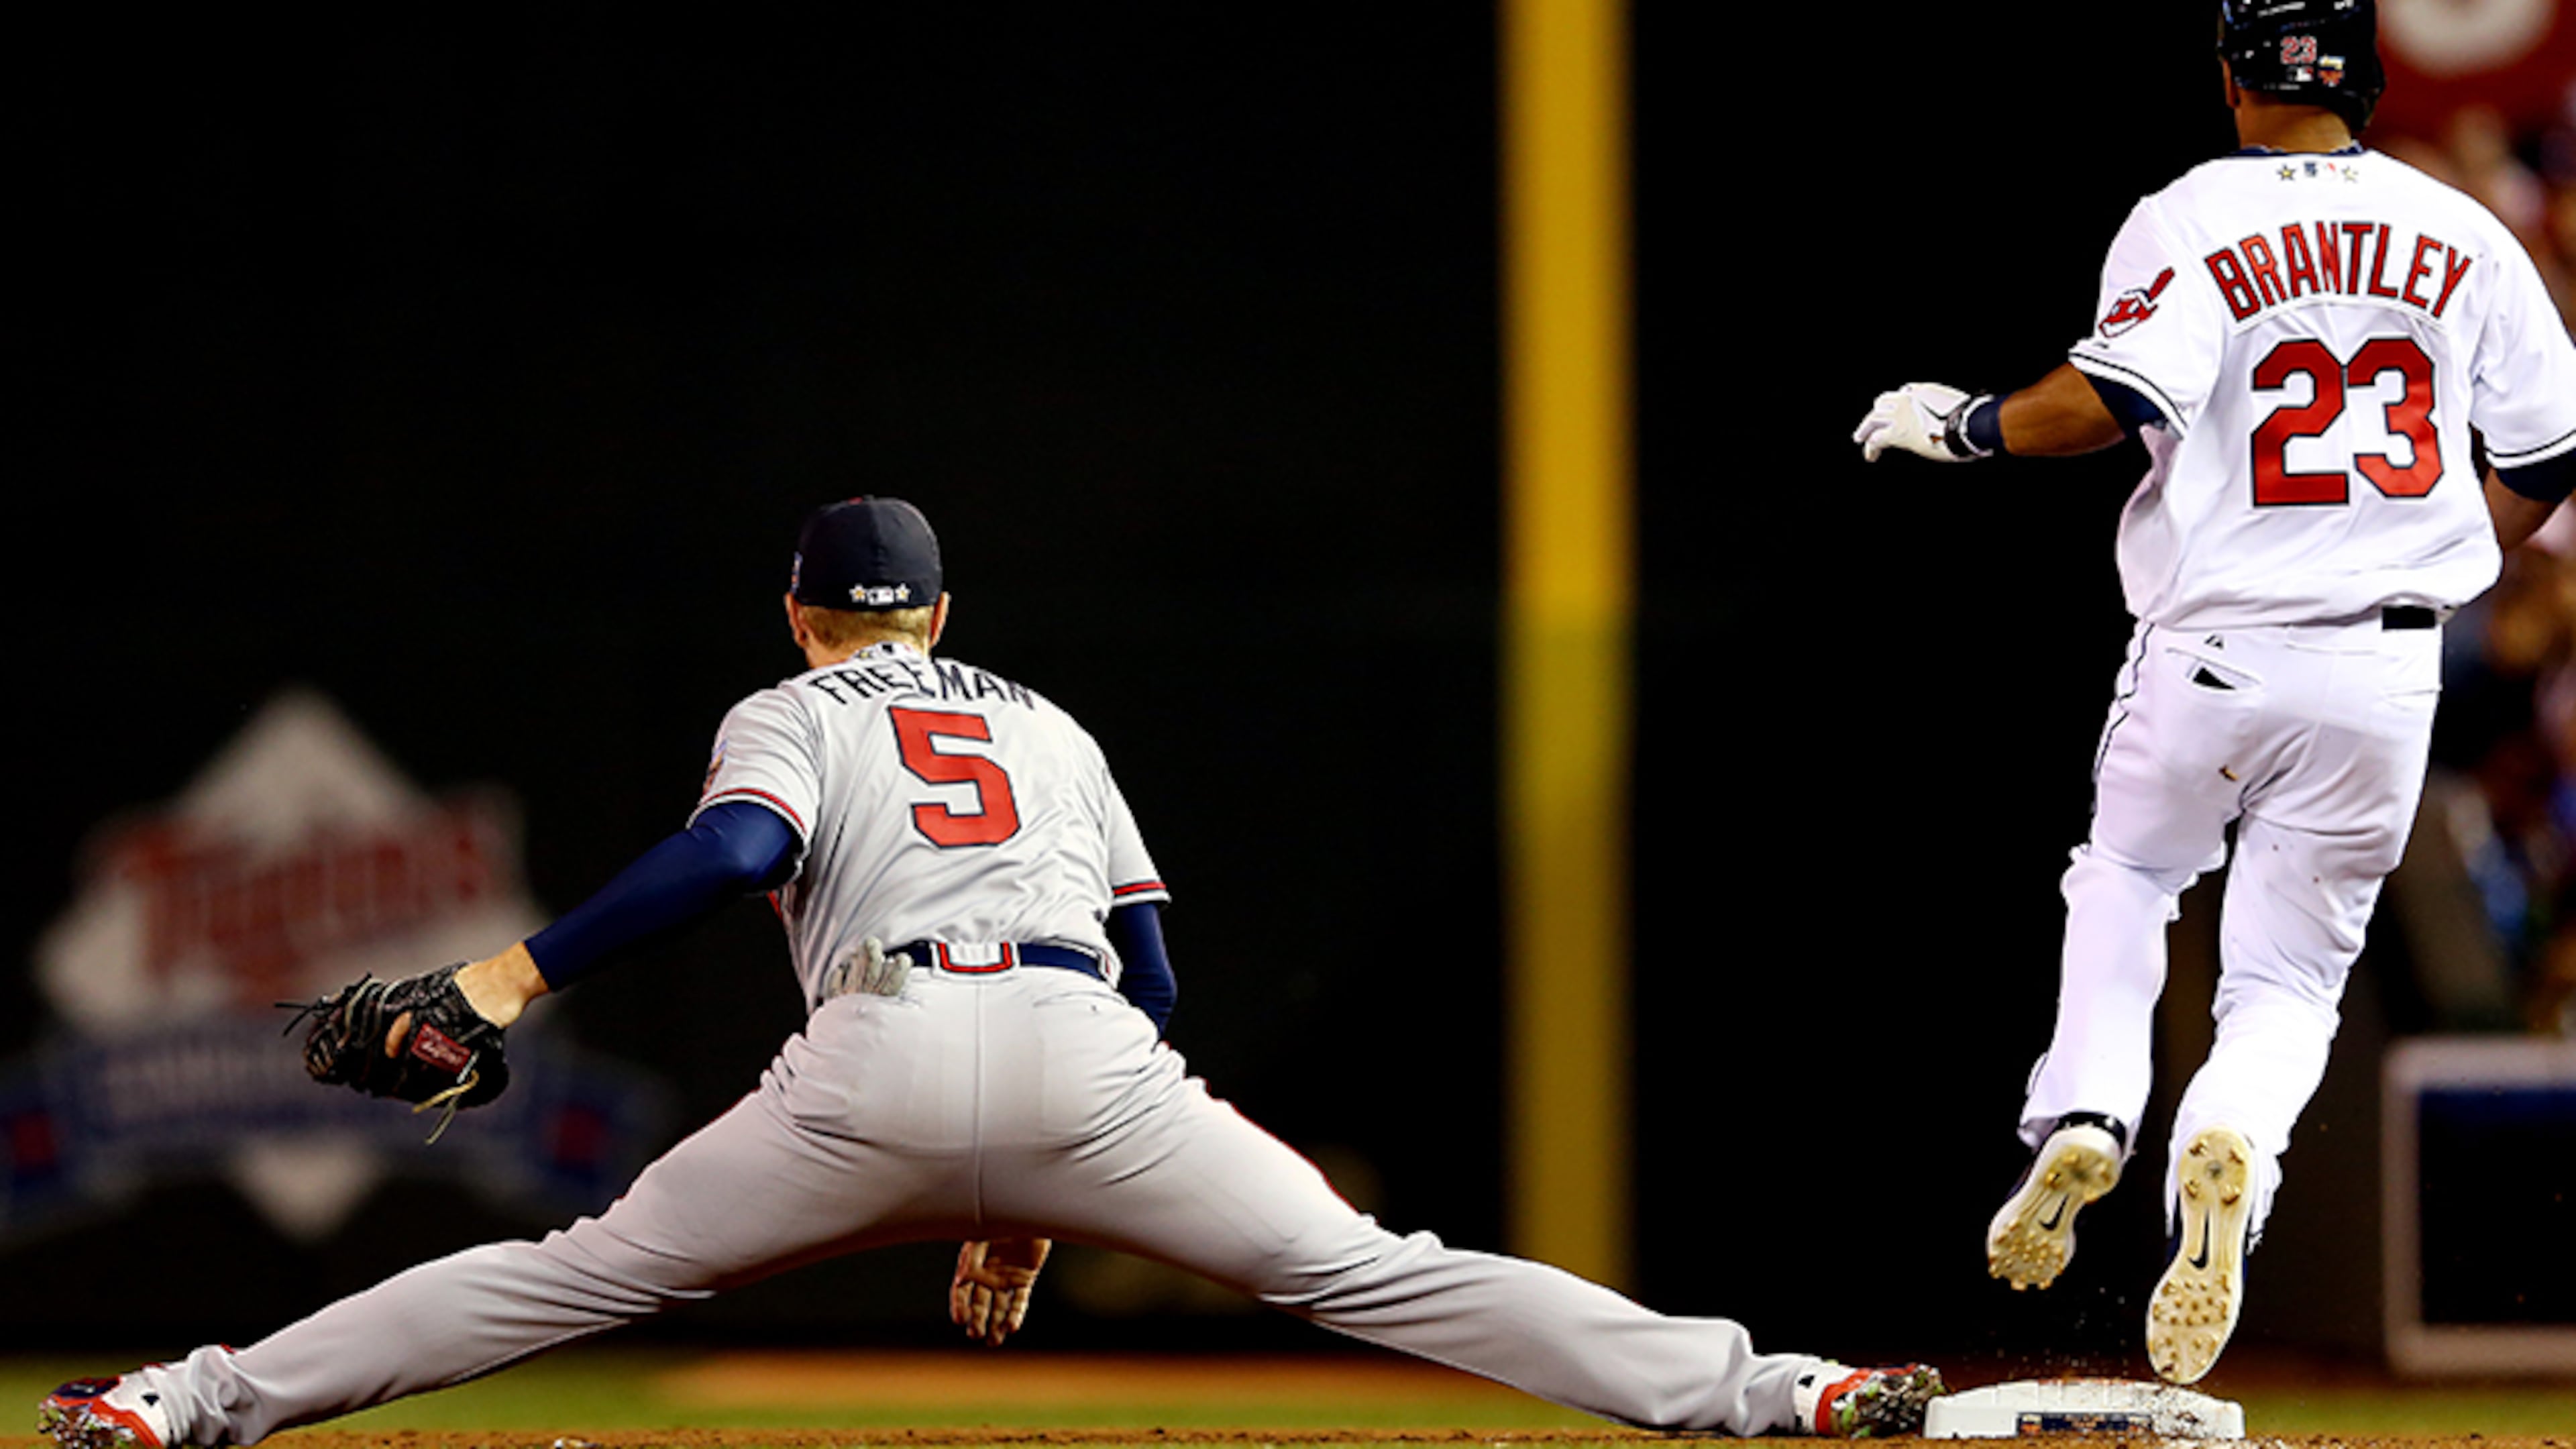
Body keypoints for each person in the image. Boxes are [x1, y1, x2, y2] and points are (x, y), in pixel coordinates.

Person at [40, 497, 1947, 1446]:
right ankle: (1774, 1394)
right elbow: (1160, 977)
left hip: (869, 1055)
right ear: (942, 613)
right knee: (1383, 1275)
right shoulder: (1045, 716)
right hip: (1083, 1046)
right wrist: (1045, 1188)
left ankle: (184, 1404)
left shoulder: (791, 700)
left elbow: (734, 857)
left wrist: (509, 980)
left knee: (571, 1279)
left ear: (804, 613)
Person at [1852, 0, 2576, 1386]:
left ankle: (2086, 1117)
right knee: (2292, 979)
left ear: (2235, 76)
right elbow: (2554, 445)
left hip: (2216, 640)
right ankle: (2223, 1138)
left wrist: (1962, 424)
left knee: (2125, 873)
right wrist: (2451, 553)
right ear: (2364, 80)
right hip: (2383, 659)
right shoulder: (2464, 226)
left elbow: (2105, 400)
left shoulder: (2189, 213)